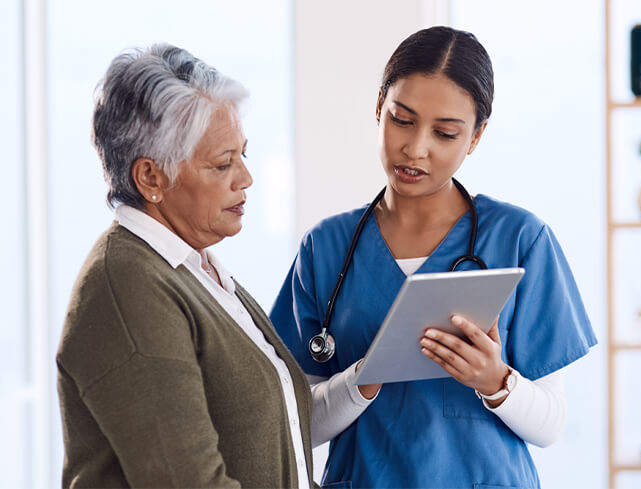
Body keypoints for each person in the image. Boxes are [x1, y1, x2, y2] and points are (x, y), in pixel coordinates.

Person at [270, 26, 597, 488]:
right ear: (378, 104)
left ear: (476, 137)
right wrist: (361, 379)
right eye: (401, 120)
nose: (415, 148)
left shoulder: (521, 239)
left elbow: (551, 424)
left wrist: (494, 380)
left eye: (445, 133)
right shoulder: (325, 248)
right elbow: (296, 423)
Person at [56, 44, 318, 488]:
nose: (245, 179)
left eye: (243, 156)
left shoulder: (194, 270)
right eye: (223, 164)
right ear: (151, 178)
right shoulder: (128, 287)